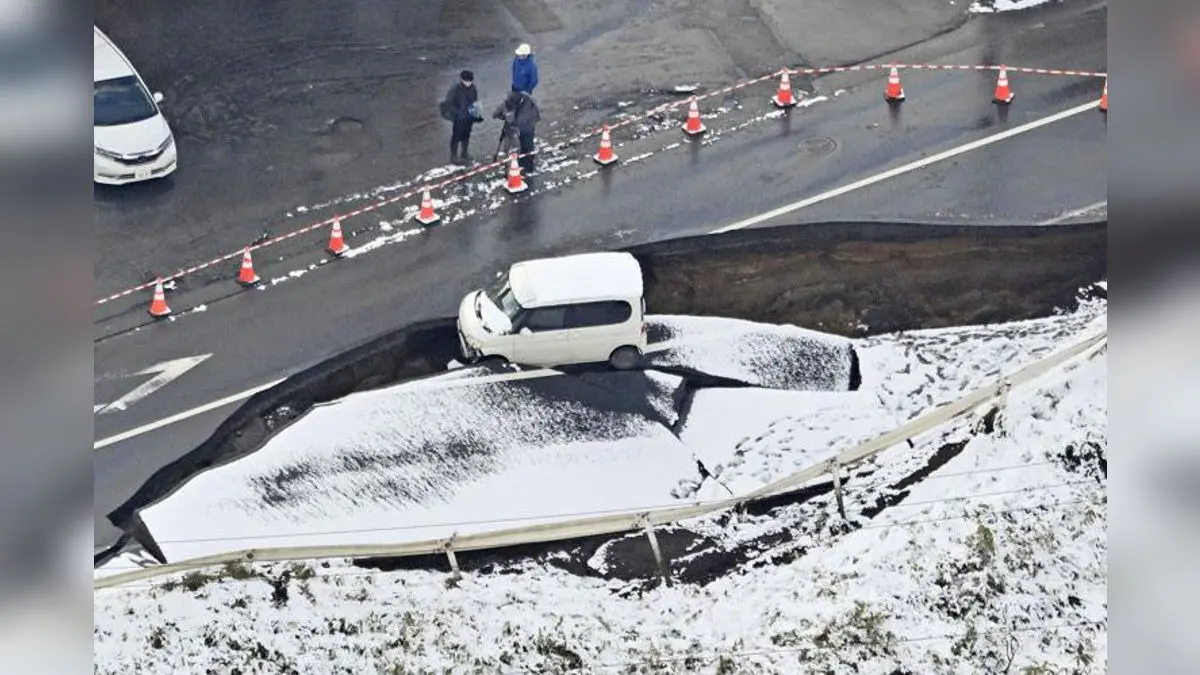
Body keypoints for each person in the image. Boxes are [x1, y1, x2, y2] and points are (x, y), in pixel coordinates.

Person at [439, 70, 482, 164]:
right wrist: (457, 113)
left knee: (466, 134)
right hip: (458, 118)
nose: (468, 83)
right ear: (462, 80)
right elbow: (448, 103)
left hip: (468, 117)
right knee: (456, 136)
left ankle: (464, 152)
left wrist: (476, 114)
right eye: (467, 81)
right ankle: (453, 156)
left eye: (470, 81)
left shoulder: (473, 88)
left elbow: (474, 102)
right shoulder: (455, 89)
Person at [494, 90, 541, 174]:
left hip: (529, 124)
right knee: (523, 143)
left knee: (528, 143)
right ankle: (523, 159)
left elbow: (519, 122)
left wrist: (510, 121)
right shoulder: (511, 99)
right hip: (522, 121)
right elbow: (496, 113)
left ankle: (529, 167)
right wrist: (503, 115)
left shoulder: (526, 109)